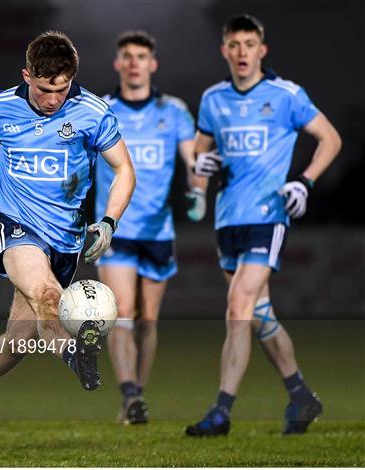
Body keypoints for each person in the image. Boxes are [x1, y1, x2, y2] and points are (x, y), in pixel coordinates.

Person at [0, 30, 135, 439]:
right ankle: (78, 354)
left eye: (62, 89)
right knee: (47, 296)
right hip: (16, 225)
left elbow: (125, 171)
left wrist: (109, 222)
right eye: (44, 89)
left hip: (66, 239)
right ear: (27, 76)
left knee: (22, 338)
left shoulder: (92, 113)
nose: (53, 99)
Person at [185, 14, 342, 436]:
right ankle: (301, 396)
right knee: (259, 313)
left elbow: (331, 138)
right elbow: (197, 162)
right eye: (234, 44)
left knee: (238, 308)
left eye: (249, 44)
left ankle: (221, 411)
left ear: (261, 50)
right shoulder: (214, 99)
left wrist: (305, 182)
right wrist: (199, 175)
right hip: (228, 219)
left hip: (268, 216)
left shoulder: (286, 95)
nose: (241, 52)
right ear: (225, 51)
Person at [95, 31, 207, 425]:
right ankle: (129, 396)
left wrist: (199, 192)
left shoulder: (173, 111)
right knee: (122, 313)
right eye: (127, 56)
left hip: (158, 231)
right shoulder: (102, 110)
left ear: (152, 63)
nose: (134, 62)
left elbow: (194, 160)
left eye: (141, 56)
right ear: (117, 63)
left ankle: (137, 396)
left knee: (147, 321)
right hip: (115, 228)